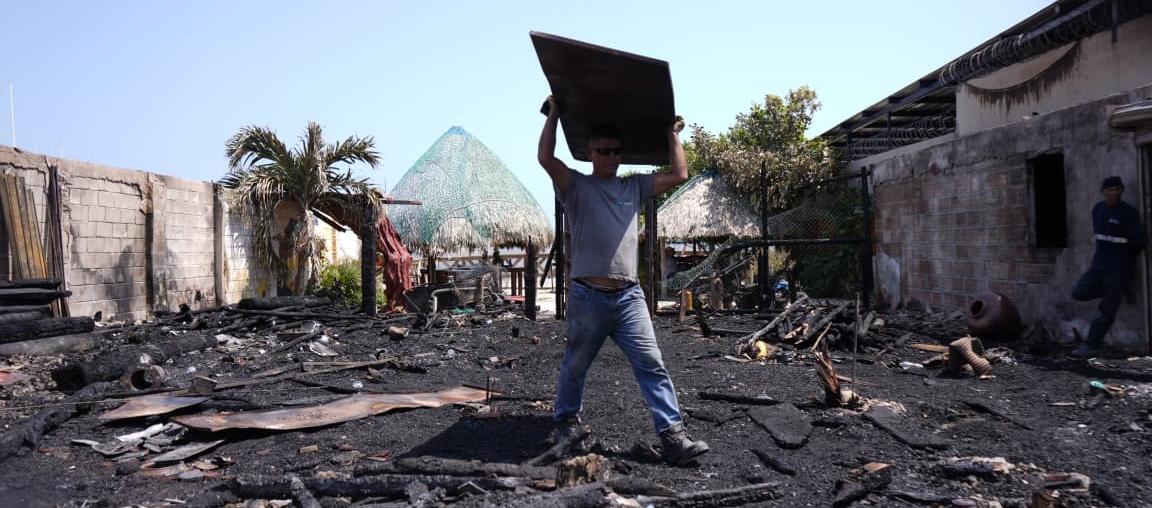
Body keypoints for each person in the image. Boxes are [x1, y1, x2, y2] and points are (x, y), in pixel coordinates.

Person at [536, 95, 709, 465]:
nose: (613, 157)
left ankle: (673, 437)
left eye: (618, 152)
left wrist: (672, 134)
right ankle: (566, 426)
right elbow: (546, 160)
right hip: (588, 296)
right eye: (605, 151)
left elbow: (679, 175)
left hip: (629, 297)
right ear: (591, 153)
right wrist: (553, 115)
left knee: (652, 363)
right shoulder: (575, 186)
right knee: (575, 365)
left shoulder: (634, 187)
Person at [1070, 176, 1146, 358]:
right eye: (1110, 189)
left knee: (1107, 311)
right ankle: (1114, 292)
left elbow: (1139, 242)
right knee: (1079, 292)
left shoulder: (1128, 213)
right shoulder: (1098, 209)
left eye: (1118, 189)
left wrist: (1122, 258)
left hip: (1117, 270)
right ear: (1104, 191)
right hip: (1098, 267)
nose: (1114, 193)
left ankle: (1091, 345)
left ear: (1122, 191)